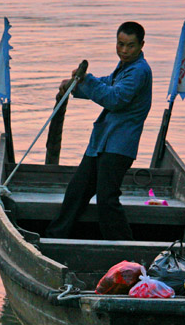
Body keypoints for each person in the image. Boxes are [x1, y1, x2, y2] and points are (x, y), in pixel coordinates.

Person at [45, 21, 152, 240]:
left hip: (119, 146)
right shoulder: (125, 67)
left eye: (130, 46)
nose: (124, 50)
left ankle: (126, 251)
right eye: (120, 44)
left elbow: (114, 98)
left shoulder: (139, 71)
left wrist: (88, 80)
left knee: (107, 199)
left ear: (141, 45)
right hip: (101, 143)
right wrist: (78, 84)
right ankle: (53, 238)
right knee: (76, 192)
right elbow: (108, 83)